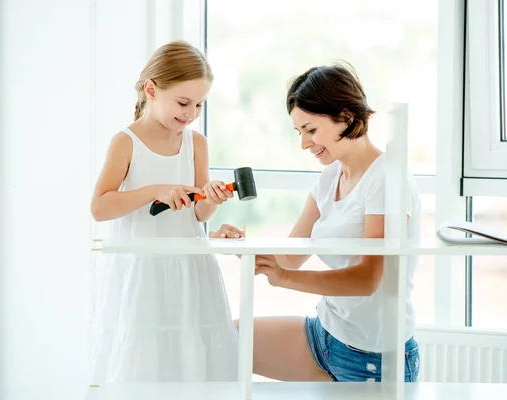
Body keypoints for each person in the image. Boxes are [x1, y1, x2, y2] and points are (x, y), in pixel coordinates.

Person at [211, 62, 422, 382]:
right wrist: (244, 245)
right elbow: (291, 256)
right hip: (325, 335)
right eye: (299, 132)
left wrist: (282, 278)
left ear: (346, 117)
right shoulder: (329, 178)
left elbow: (367, 280)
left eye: (310, 130)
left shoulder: (387, 178)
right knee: (220, 340)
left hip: (375, 359)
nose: (304, 143)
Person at [89, 41, 238, 383]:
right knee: (145, 357)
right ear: (151, 90)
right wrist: (157, 191)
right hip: (143, 271)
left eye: (200, 104)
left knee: (189, 356)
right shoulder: (126, 142)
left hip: (190, 268)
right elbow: (100, 206)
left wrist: (212, 198)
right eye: (184, 102)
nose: (191, 113)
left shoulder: (196, 143)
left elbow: (200, 214)